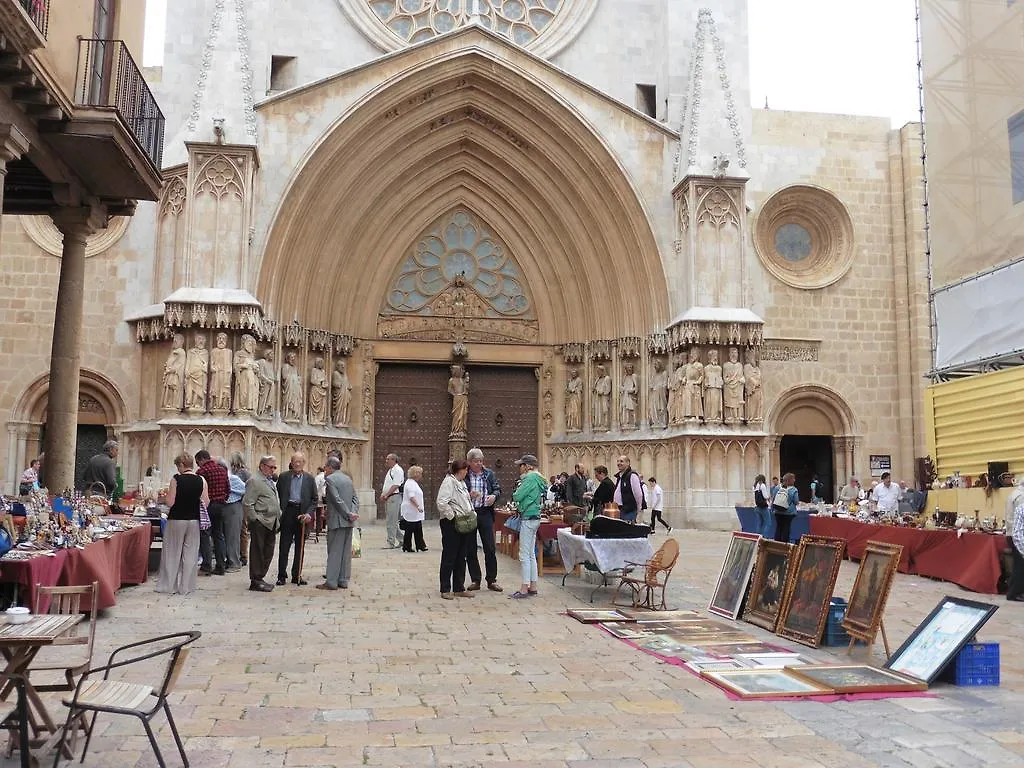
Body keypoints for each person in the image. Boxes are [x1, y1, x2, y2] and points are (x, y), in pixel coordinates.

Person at [156, 453, 208, 595]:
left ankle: (168, 585)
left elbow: (170, 502)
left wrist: (164, 499)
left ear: (181, 465)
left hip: (177, 519)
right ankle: (186, 587)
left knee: (172, 552)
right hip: (194, 520)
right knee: (191, 554)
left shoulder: (176, 479)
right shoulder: (201, 480)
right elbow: (206, 502)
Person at [317, 455, 359, 591]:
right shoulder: (347, 478)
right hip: (348, 521)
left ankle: (331, 581)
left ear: (329, 467)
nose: (325, 470)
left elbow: (336, 499)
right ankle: (343, 579)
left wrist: (347, 513)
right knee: (346, 552)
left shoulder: (330, 479)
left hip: (337, 519)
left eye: (325, 467)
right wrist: (352, 514)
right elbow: (355, 499)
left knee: (334, 551)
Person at [275, 452, 317, 586]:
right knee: (284, 546)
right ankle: (281, 575)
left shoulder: (310, 479)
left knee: (300, 546)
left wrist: (309, 514)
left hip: (302, 513)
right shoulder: (284, 477)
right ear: (291, 463)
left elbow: (314, 499)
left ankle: (296, 575)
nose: (297, 464)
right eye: (295, 461)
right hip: (288, 512)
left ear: (304, 463)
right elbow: (278, 494)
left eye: (300, 461)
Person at [436, 459, 475, 600]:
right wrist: (452, 516)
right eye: (465, 470)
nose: (467, 472)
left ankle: (459, 587)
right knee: (449, 556)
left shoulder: (461, 483)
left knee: (461, 556)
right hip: (451, 523)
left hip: (463, 523)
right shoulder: (449, 482)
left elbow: (461, 500)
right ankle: (445, 588)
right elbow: (441, 502)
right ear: (460, 470)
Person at [465, 448, 503, 592]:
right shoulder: (465, 475)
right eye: (476, 461)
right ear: (469, 462)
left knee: (490, 547)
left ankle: (491, 580)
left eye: (481, 461)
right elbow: (459, 491)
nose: (479, 464)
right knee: (470, 548)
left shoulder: (489, 474)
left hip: (485, 513)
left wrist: (494, 496)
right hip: (470, 513)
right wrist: (469, 494)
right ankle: (476, 579)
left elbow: (497, 489)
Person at [242, 455, 282, 592]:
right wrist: (255, 519)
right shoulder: (255, 480)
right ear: (262, 466)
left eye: (274, 467)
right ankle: (256, 579)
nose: (273, 470)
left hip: (271, 522)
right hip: (261, 522)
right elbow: (248, 503)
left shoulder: (268, 480)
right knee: (258, 551)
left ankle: (260, 577)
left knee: (268, 551)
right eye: (271, 467)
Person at [510, 455, 546, 599]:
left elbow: (517, 496)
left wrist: (518, 492)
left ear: (528, 466)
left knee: (524, 554)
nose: (520, 468)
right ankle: (533, 585)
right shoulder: (539, 479)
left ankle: (524, 588)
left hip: (528, 517)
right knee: (531, 554)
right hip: (535, 516)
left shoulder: (530, 478)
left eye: (522, 465)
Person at [195, 449, 229, 576]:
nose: (198, 465)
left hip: (207, 506)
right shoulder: (222, 470)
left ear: (202, 459)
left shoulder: (202, 471)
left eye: (198, 462)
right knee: (219, 535)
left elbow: (198, 490)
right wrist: (223, 499)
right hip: (221, 505)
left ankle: (206, 565)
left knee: (205, 535)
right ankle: (221, 566)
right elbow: (228, 489)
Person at [220, 458, 245, 572]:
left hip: (234, 507)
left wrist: (233, 492)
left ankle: (235, 563)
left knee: (233, 537)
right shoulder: (223, 478)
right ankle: (228, 561)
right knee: (226, 536)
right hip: (225, 507)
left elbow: (246, 490)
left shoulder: (233, 478)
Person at [379, 453, 404, 549]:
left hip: (393, 497)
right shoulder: (391, 470)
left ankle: (390, 542)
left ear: (394, 460)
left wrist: (386, 494)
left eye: (388, 459)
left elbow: (396, 485)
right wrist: (383, 494)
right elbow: (388, 484)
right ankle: (402, 540)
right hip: (389, 497)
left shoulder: (397, 470)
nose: (386, 461)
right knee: (391, 520)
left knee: (391, 521)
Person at [400, 465, 427, 553]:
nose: (421, 476)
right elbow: (411, 496)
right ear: (416, 474)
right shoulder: (410, 484)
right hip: (411, 510)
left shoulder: (413, 483)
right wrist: (418, 506)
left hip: (414, 511)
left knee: (417, 528)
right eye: (420, 473)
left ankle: (420, 545)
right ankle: (407, 546)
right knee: (409, 529)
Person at [230, 452, 250, 566]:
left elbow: (248, 488)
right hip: (236, 503)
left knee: (242, 529)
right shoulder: (235, 472)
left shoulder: (244, 473)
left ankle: (243, 555)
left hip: (243, 503)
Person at [612, 455, 645, 523]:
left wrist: (638, 508)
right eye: (618, 461)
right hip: (619, 509)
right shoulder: (620, 477)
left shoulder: (632, 475)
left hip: (629, 510)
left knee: (627, 530)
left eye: (621, 461)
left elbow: (638, 494)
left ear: (628, 463)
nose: (619, 463)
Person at [1007, 480, 1024, 602]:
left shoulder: (1013, 494)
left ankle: (1014, 590)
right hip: (1018, 536)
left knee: (1017, 565)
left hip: (1010, 532)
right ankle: (1014, 593)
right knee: (1020, 566)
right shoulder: (1021, 497)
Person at [773, 472, 798, 543]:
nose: (794, 480)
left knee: (778, 527)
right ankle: (784, 544)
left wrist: (773, 509)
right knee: (786, 528)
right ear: (789, 480)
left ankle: (776, 543)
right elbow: (796, 502)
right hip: (789, 512)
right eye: (793, 479)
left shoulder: (777, 488)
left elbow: (774, 499)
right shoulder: (794, 490)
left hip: (777, 511)